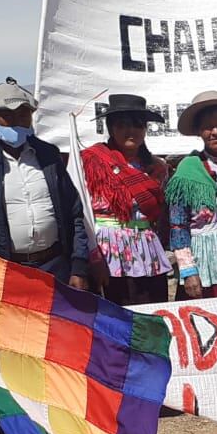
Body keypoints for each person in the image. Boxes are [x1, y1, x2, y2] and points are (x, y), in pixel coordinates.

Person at [0, 79, 90, 289]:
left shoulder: (48, 155)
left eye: (23, 115)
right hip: (8, 272)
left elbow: (74, 212)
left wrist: (79, 266)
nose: (16, 122)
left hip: (56, 267)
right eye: (8, 116)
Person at [79, 94, 170, 306]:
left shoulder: (157, 167)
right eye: (122, 125)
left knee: (151, 311)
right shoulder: (91, 162)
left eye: (138, 125)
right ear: (111, 128)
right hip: (107, 252)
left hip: (147, 251)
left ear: (145, 129)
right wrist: (91, 257)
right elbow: (80, 213)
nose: (131, 131)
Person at [166, 91, 217, 298]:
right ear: (198, 131)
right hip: (203, 265)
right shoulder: (187, 170)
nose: (215, 132)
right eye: (207, 127)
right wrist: (188, 270)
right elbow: (178, 225)